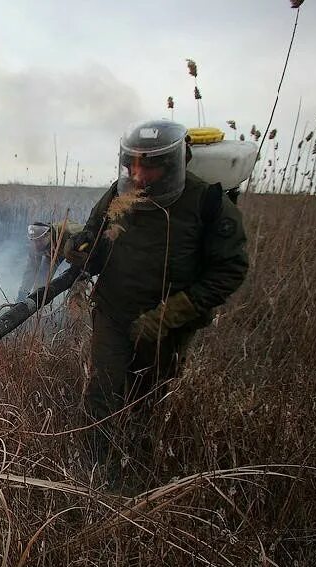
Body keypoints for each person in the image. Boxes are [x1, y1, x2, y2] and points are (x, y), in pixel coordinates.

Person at [64, 119, 248, 465]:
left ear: (171, 165)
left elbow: (230, 269)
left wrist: (173, 313)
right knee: (103, 389)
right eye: (132, 164)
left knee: (149, 395)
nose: (138, 174)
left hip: (168, 323)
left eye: (147, 166)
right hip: (113, 311)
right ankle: (96, 470)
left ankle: (138, 460)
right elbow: (96, 235)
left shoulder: (207, 202)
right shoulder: (119, 194)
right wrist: (80, 247)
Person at [17, 219, 84, 302]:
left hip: (77, 254)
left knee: (77, 279)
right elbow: (31, 270)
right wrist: (23, 293)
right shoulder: (35, 245)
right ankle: (37, 304)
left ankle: (78, 304)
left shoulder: (66, 229)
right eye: (34, 241)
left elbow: (87, 232)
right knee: (41, 283)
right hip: (53, 255)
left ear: (48, 235)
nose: (37, 244)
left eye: (39, 240)